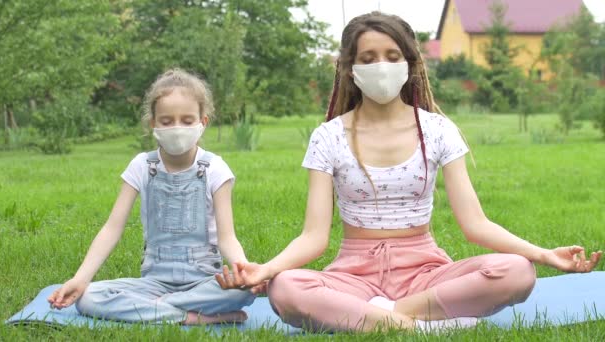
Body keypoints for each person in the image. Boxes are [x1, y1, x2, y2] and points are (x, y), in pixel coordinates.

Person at [217, 12, 602, 332]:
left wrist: (543, 255)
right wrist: (266, 270)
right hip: (354, 274)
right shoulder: (328, 136)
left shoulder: (437, 129)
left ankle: (380, 318)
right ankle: (419, 325)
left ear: (410, 64)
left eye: (391, 55)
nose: (380, 66)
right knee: (286, 289)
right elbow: (313, 237)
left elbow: (476, 224)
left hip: (426, 272)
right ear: (349, 69)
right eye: (367, 58)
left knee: (517, 273)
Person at [47, 68, 255, 324]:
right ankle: (195, 318)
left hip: (203, 280)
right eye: (167, 121)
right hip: (154, 283)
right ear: (153, 124)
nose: (177, 128)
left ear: (203, 122)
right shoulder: (141, 166)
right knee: (89, 297)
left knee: (241, 293)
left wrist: (245, 271)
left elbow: (227, 238)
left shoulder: (215, 168)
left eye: (187, 120)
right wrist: (80, 279)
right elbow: (112, 229)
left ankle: (152, 311)